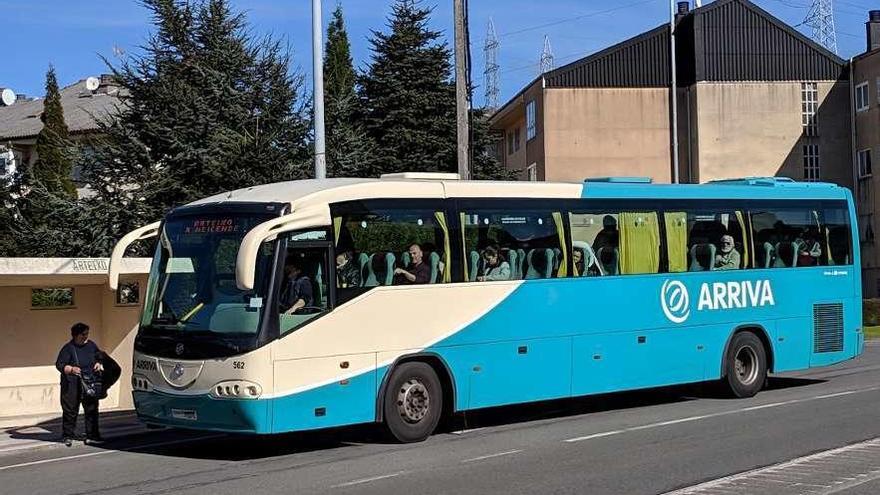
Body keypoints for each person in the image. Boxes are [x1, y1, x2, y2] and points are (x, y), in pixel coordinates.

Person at [55, 323, 103, 446]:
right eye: (83, 334)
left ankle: (92, 436)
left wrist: (98, 363)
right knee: (70, 410)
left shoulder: (91, 345)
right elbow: (59, 364)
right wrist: (71, 369)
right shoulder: (68, 348)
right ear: (76, 335)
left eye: (87, 334)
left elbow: (99, 355)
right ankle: (68, 436)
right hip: (72, 385)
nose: (86, 336)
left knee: (91, 409)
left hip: (88, 383)